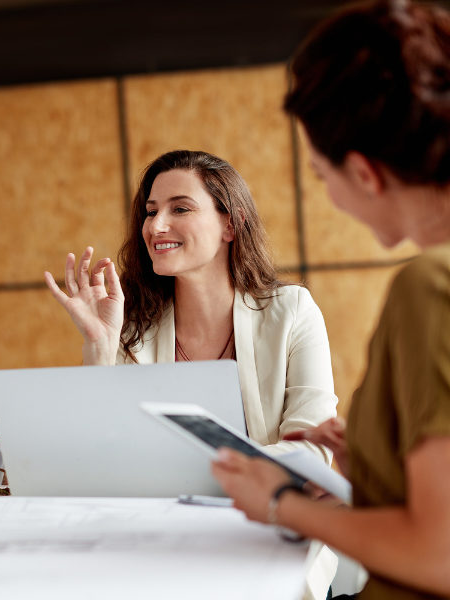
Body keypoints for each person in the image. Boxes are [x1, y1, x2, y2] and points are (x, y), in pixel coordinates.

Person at [210, 1, 450, 599]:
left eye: (322, 176)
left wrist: (280, 502)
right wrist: (374, 453)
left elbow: (438, 555)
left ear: (364, 173)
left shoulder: (429, 287)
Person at [45, 149, 339, 599]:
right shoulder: (133, 327)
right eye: (150, 211)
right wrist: (100, 346)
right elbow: (102, 457)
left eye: (179, 208)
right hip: (163, 541)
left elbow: (312, 452)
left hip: (271, 532)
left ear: (230, 224)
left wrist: (203, 476)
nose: (155, 225)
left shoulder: (292, 311)